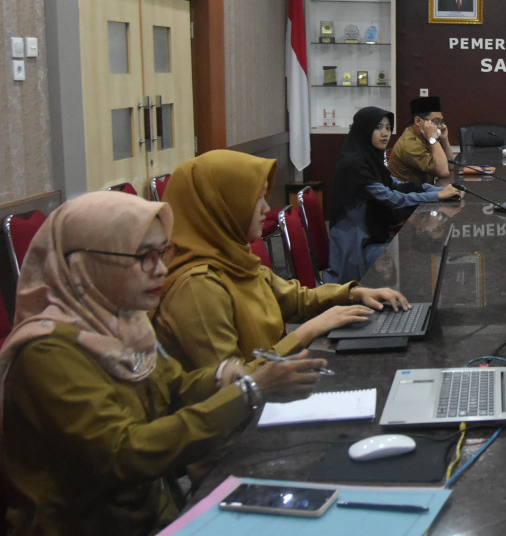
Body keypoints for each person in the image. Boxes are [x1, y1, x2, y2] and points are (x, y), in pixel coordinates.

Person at [0, 191, 326, 535]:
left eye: (163, 252)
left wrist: (220, 379)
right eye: (144, 257)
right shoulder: (48, 353)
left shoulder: (125, 321)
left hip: (150, 514)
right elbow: (125, 454)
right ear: (85, 264)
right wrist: (248, 391)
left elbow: (170, 388)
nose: (161, 269)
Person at [150, 150, 409, 371]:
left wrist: (354, 293)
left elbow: (294, 299)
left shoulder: (235, 258)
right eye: (255, 199)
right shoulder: (198, 286)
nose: (265, 208)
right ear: (221, 206)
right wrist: (306, 332)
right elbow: (232, 386)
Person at [324, 106, 460, 283]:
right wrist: (437, 195)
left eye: (388, 128)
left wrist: (440, 190)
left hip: (372, 230)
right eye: (378, 127)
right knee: (409, 259)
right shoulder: (354, 164)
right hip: (355, 242)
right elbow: (392, 198)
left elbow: (398, 184)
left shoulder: (371, 157)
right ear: (364, 129)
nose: (385, 133)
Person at [388, 96, 478, 186]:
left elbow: (449, 166)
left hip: (422, 190)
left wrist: (444, 139)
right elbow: (443, 171)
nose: (440, 126)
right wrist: (433, 137)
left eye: (441, 121)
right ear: (418, 121)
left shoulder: (423, 137)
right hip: (408, 195)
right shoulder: (410, 145)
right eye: (436, 121)